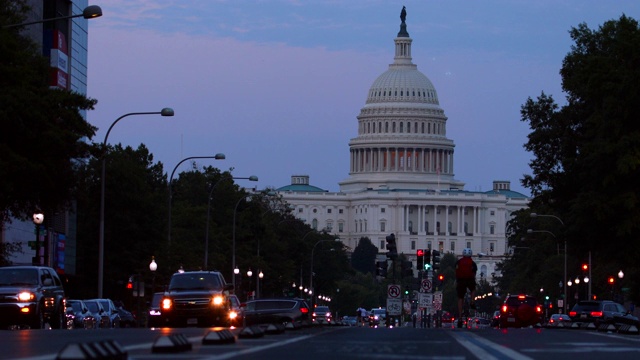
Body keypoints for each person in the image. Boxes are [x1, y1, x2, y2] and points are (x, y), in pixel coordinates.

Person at [456, 248, 478, 328]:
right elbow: (474, 273)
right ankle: (472, 301)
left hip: (461, 281)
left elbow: (456, 271)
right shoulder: (472, 263)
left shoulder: (459, 262)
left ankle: (460, 318)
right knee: (473, 289)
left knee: (460, 298)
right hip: (470, 280)